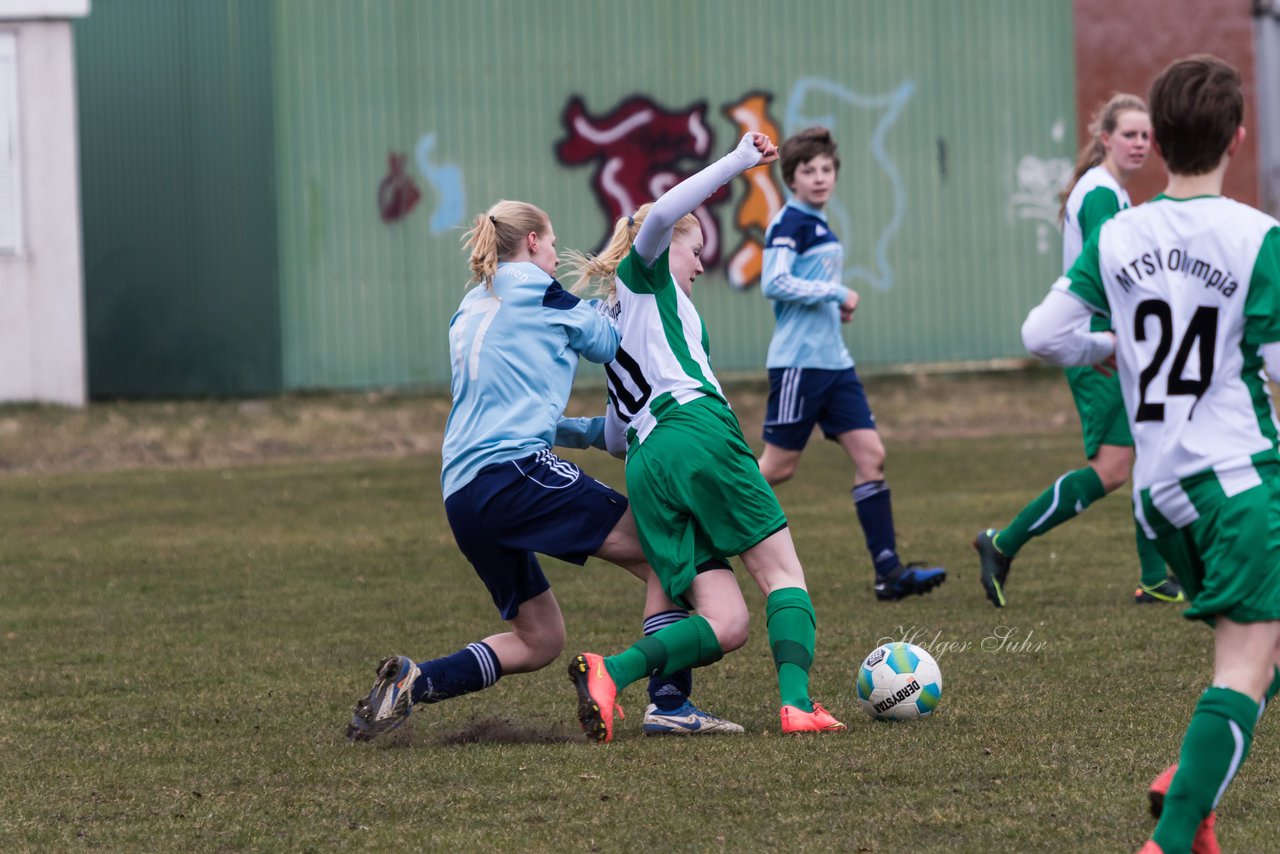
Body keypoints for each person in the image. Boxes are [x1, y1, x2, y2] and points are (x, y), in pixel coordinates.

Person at [345, 200, 742, 742]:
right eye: (553, 245)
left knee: (539, 639)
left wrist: (590, 428)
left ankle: (414, 683)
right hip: (513, 473)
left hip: (461, 492)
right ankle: (670, 704)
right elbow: (606, 344)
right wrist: (623, 298)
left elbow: (524, 406)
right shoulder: (539, 289)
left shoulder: (471, 305)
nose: (557, 256)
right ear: (532, 241)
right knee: (664, 550)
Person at [1019, 55, 1280, 854]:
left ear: (1158, 139)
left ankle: (1191, 788)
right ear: (1238, 135)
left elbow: (1042, 335)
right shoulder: (1256, 235)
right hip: (1237, 480)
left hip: (1160, 493)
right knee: (1242, 664)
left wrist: (1115, 346)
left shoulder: (1121, 232)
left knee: (1261, 646)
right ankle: (1171, 832)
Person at [564, 132, 846, 742]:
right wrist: (742, 160)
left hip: (646, 462)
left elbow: (613, 433)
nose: (700, 262)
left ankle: (611, 673)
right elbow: (663, 213)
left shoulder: (615, 318)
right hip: (696, 432)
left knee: (727, 621)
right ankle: (797, 705)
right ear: (666, 251)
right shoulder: (647, 279)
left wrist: (554, 428)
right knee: (782, 576)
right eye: (695, 250)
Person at [975, 93, 1185, 608]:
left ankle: (1155, 577)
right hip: (1102, 346)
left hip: (1112, 342)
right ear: (1105, 137)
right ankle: (1002, 543)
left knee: (1139, 456)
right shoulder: (1101, 195)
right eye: (1130, 134)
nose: (1140, 144)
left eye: (1146, 136)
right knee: (1118, 467)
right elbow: (1112, 273)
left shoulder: (1108, 191)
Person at [757, 127, 945, 602]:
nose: (820, 178)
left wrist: (832, 305)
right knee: (776, 470)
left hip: (835, 364)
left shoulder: (820, 223)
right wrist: (835, 292)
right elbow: (774, 282)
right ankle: (700, 530)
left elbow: (803, 285)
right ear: (791, 178)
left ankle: (889, 573)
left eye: (826, 169)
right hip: (800, 364)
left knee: (871, 456)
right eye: (808, 171)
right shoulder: (789, 223)